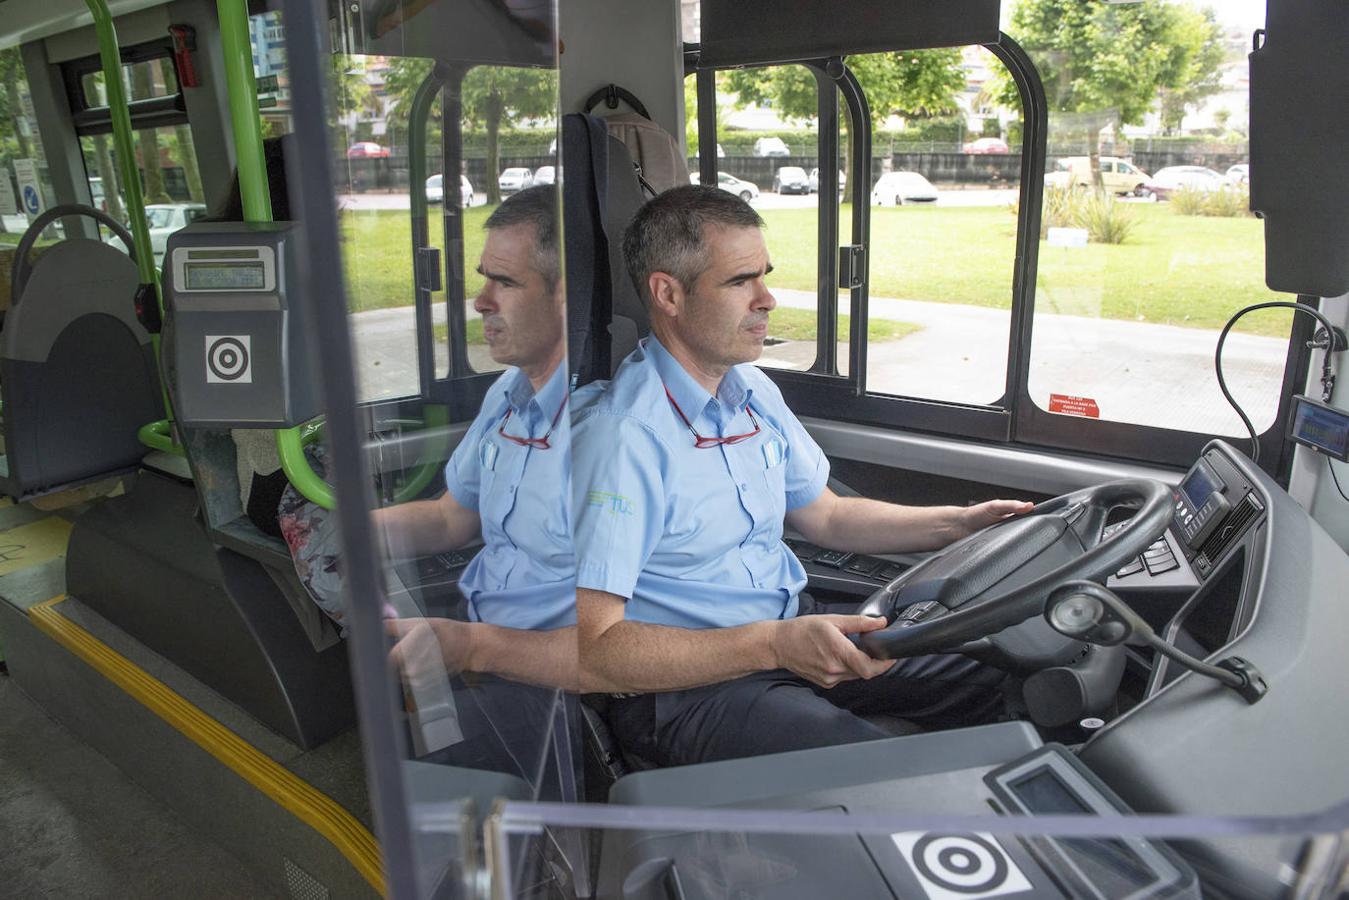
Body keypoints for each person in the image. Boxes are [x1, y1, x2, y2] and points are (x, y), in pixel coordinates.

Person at [570, 184, 1032, 767]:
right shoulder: (622, 438)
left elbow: (829, 514)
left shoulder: (751, 391)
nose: (766, 299)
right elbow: (594, 651)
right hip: (685, 692)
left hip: (787, 633)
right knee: (884, 772)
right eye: (740, 281)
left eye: (764, 276)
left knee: (995, 670)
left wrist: (963, 525)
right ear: (668, 293)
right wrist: (769, 645)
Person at [370, 185, 578, 794]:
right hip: (483, 638)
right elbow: (450, 517)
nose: (481, 302)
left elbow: (623, 642)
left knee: (411, 794)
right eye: (484, 280)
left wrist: (469, 648)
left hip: (553, 677)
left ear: (567, 294)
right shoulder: (509, 394)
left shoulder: (609, 428)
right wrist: (356, 529)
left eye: (505, 283)